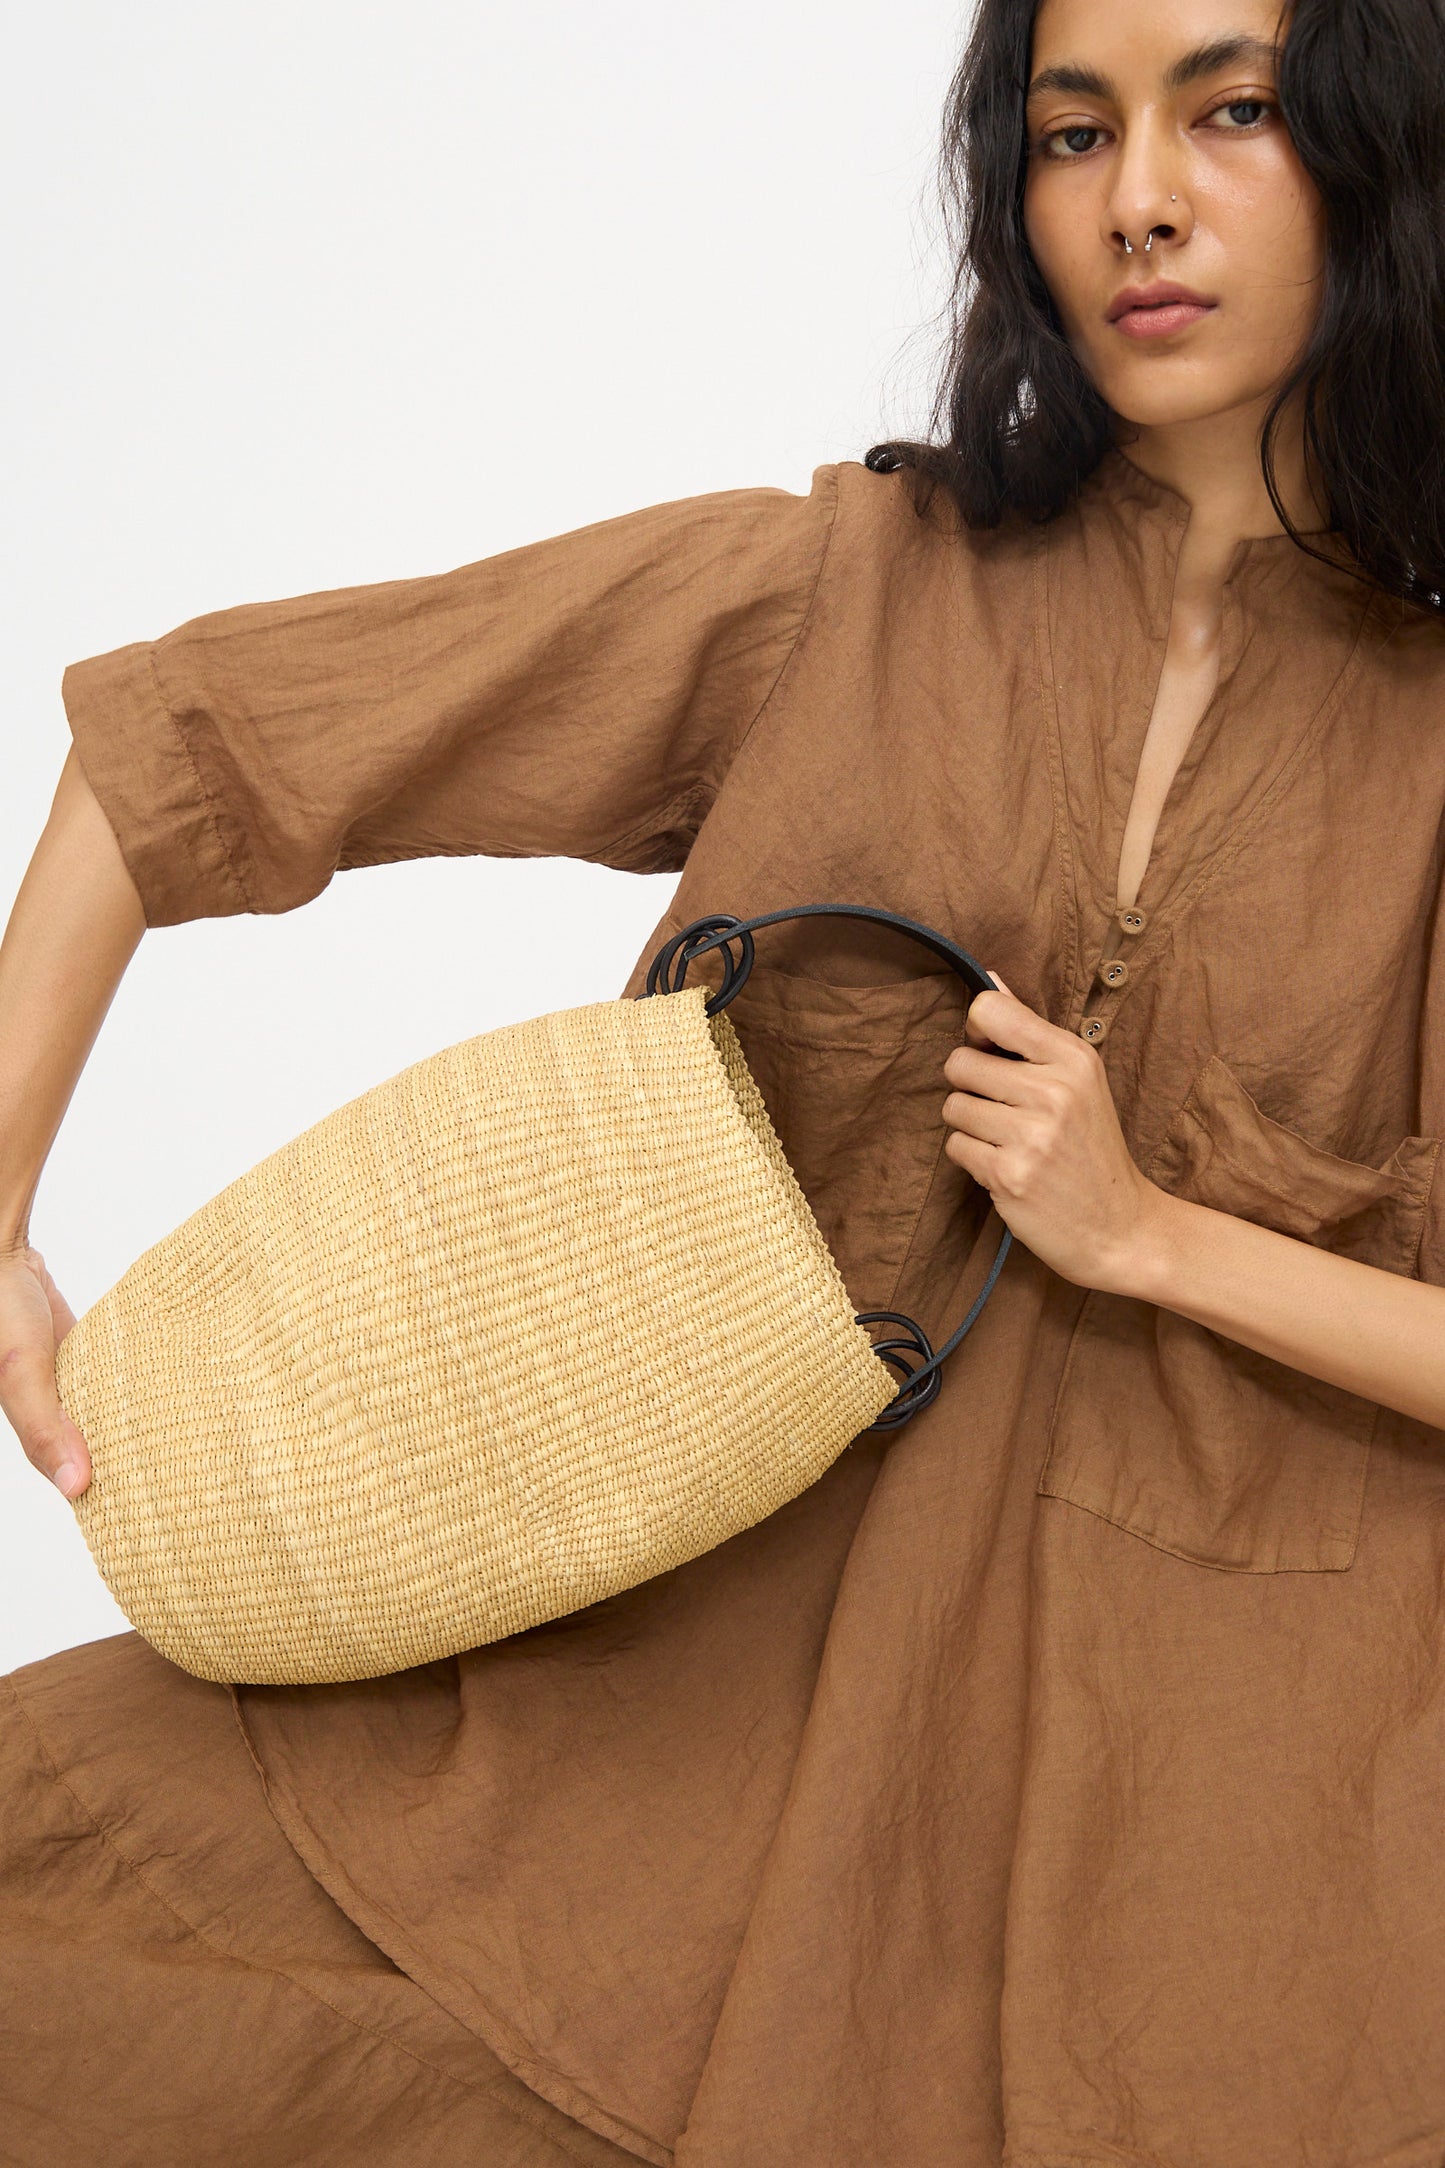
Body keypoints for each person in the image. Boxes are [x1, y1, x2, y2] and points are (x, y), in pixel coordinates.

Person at [3, 0, 1445, 2158]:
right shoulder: (846, 590)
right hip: (645, 1725)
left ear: (1374, 144)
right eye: (1070, 132)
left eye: (1230, 111)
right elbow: (204, 741)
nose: (1138, 195)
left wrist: (1153, 1236)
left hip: (1234, 1849)